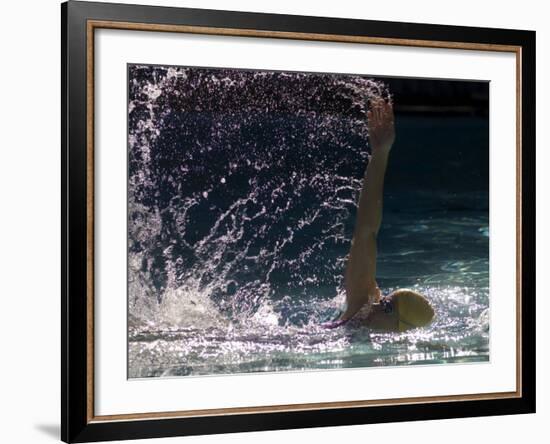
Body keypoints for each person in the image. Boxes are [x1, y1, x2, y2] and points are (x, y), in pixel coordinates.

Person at [322, 99, 434, 331]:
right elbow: (366, 231)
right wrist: (380, 153)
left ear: (401, 328)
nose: (376, 305)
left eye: (387, 307)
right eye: (385, 301)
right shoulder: (359, 311)